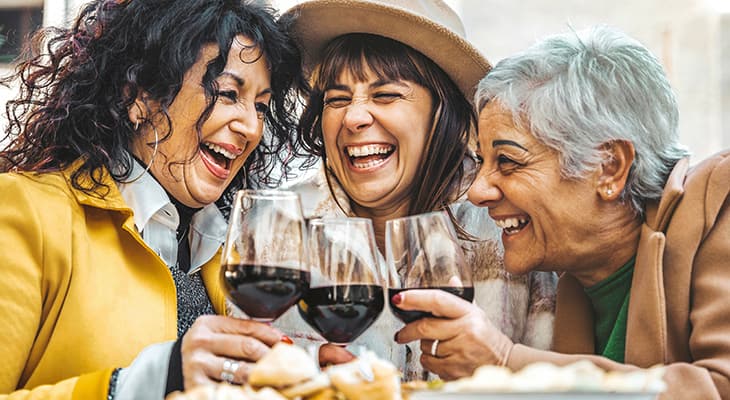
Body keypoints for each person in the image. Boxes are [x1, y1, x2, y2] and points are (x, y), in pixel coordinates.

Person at [392, 24, 730, 397]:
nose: (477, 191)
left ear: (609, 167)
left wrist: (507, 364)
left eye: (507, 161)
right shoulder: (575, 282)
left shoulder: (720, 207)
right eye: (481, 160)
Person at [0, 0, 305, 398]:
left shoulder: (229, 251)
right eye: (228, 93)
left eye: (261, 107)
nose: (250, 126)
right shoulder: (25, 212)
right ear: (140, 97)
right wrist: (139, 382)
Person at [272, 0, 557, 381]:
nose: (354, 117)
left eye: (385, 95)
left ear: (443, 114)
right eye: (336, 100)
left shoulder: (507, 225)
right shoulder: (280, 226)